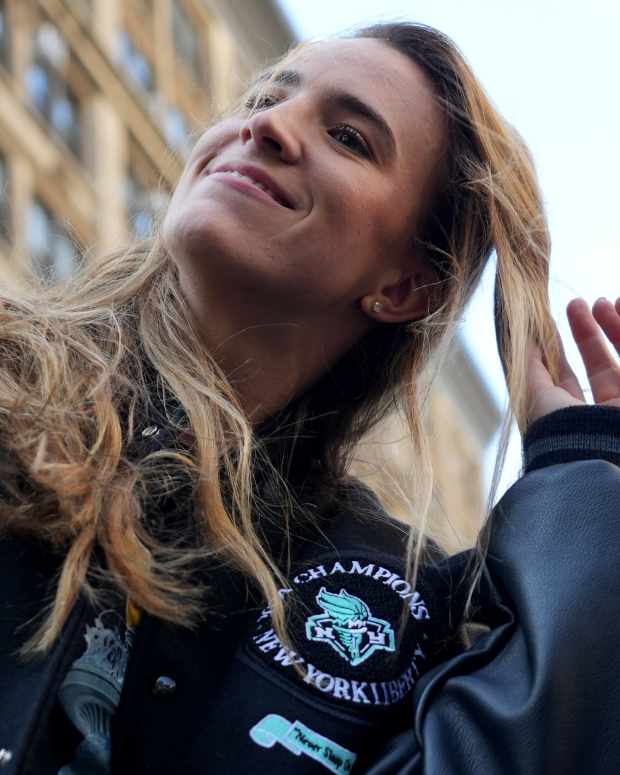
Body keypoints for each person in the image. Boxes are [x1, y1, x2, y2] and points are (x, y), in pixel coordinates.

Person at [0, 19, 619, 775]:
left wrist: (581, 476)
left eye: (350, 138)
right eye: (265, 96)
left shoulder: (397, 611)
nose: (268, 126)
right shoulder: (12, 382)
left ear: (402, 287)